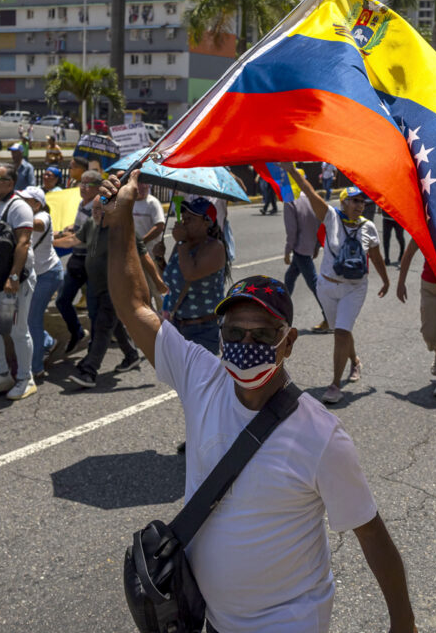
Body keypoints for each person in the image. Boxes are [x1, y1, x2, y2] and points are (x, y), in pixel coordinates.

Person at [101, 170, 418, 633]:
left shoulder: (322, 437)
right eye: (234, 333)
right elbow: (133, 304)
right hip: (211, 619)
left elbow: (370, 531)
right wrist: (121, 216)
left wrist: (403, 625)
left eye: (262, 334)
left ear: (288, 343)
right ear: (220, 335)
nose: (245, 343)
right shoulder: (201, 376)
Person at [286, 164, 389, 404]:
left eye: (362, 202)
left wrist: (386, 280)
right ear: (343, 202)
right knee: (343, 330)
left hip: (354, 288)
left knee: (341, 332)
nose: (359, 205)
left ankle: (334, 385)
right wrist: (291, 170)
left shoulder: (369, 227)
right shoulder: (331, 217)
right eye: (354, 201)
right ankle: (355, 361)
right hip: (327, 287)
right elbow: (310, 192)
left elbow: (375, 257)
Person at [61, 187, 145, 388]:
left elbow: (143, 254)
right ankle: (131, 355)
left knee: (102, 326)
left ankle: (89, 370)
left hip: (116, 287)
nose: (95, 212)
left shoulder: (122, 228)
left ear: (110, 209)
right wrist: (47, 240)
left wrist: (158, 282)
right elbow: (74, 239)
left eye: (100, 208)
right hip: (96, 286)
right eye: (94, 209)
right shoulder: (92, 224)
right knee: (112, 324)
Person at [0, 164, 38, 401]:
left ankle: (26, 379)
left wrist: (14, 276)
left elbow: (23, 243)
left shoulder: (19, 207)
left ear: (10, 184)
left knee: (17, 330)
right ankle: (1, 375)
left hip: (14, 281)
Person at [162, 197, 228, 354]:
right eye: (184, 219)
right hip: (178, 324)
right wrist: (159, 259)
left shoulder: (215, 248)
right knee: (178, 376)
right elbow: (169, 278)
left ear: (206, 222)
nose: (184, 223)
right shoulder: (183, 245)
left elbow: (190, 274)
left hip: (203, 329)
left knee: (199, 377)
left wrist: (181, 243)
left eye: (190, 219)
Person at [396, 245, 436, 398]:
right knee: (429, 335)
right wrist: (401, 282)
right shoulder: (427, 223)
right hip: (430, 285)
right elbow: (409, 252)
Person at [53, 170, 102, 355]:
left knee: (94, 309)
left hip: (91, 264)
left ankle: (96, 351)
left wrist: (50, 242)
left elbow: (82, 239)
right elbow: (79, 229)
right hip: (77, 260)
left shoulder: (98, 209)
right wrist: (71, 228)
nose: (83, 187)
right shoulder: (83, 204)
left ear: (98, 188)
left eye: (88, 184)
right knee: (62, 300)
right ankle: (78, 332)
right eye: (81, 183)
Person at [19, 186, 63, 376]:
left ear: (37, 204)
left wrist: (17, 218)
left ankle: (36, 368)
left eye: (26, 200)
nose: (21, 202)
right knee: (26, 316)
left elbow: (39, 225)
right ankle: (47, 342)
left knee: (32, 320)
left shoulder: (43, 216)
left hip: (48, 274)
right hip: (34, 275)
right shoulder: (25, 214)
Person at [283, 191, 328, 332]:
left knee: (314, 283)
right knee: (289, 278)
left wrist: (287, 251)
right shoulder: (309, 196)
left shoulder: (289, 200)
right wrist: (316, 245)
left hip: (300, 248)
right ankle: (280, 312)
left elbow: (292, 231)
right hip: (308, 246)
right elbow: (320, 221)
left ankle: (329, 317)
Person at [131, 181, 167, 312]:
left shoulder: (153, 203)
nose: (143, 187)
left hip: (150, 253)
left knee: (156, 287)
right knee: (140, 288)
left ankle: (164, 319)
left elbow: (159, 226)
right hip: (134, 253)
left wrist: (142, 241)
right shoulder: (131, 202)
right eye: (140, 184)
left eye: (146, 184)